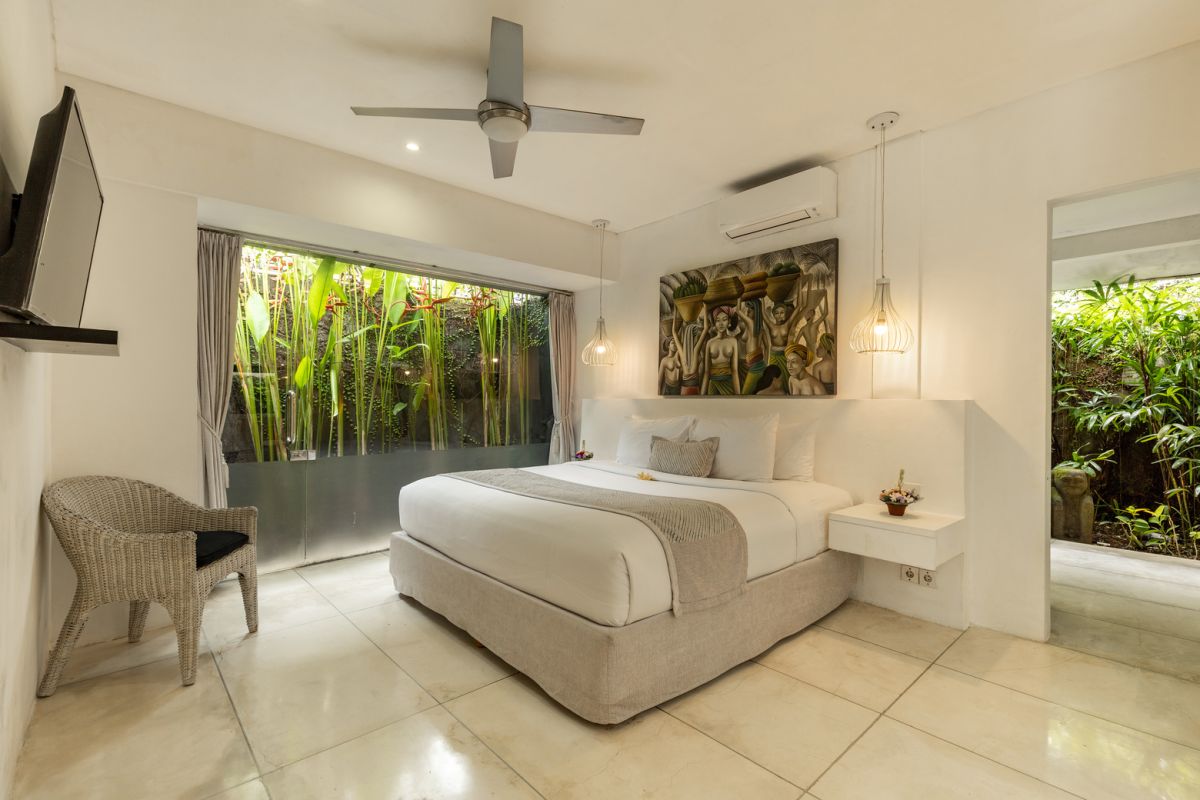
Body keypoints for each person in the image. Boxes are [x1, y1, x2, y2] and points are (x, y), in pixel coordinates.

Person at [701, 306, 739, 395]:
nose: (721, 323)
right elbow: (706, 372)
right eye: (718, 320)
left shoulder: (733, 341)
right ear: (714, 323)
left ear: (729, 322)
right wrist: (702, 396)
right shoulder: (710, 343)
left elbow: (734, 370)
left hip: (728, 382)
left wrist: (738, 395)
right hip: (713, 384)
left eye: (724, 319)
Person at [764, 297, 804, 377]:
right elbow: (763, 312)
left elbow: (799, 306)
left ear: (785, 314)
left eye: (782, 312)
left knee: (785, 376)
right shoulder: (771, 325)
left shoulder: (787, 325)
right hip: (773, 355)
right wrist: (762, 296)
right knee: (772, 377)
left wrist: (799, 286)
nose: (779, 315)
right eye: (777, 313)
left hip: (785, 355)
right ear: (773, 314)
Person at [672, 310, 708, 395]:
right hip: (694, 387)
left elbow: (674, 332)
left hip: (684, 389)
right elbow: (706, 329)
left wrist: (675, 311)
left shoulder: (682, 352)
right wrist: (705, 307)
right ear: (693, 337)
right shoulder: (695, 351)